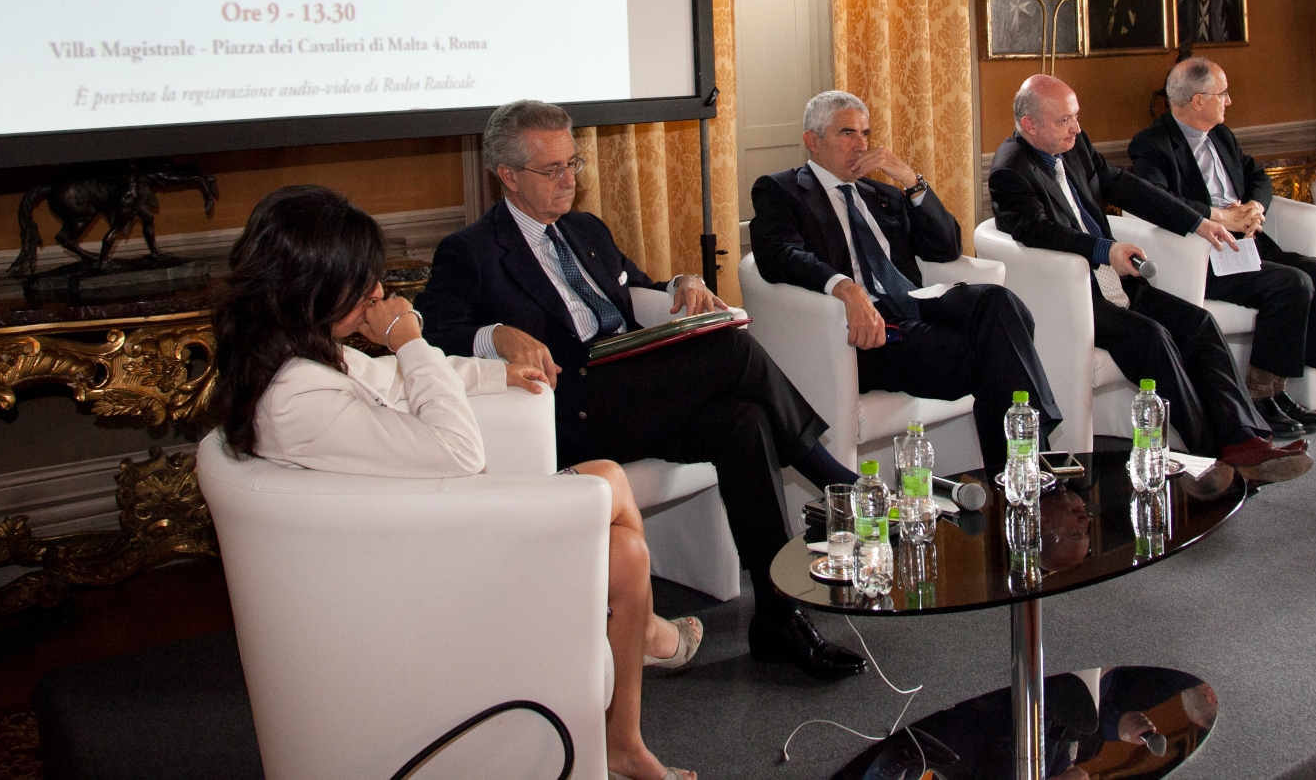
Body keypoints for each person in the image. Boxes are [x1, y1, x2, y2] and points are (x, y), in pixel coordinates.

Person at [209, 185, 697, 780]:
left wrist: (498, 375)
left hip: (413, 535)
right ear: (313, 284)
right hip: (419, 570)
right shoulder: (298, 396)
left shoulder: (290, 358)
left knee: (625, 550)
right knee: (608, 486)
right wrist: (411, 338)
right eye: (362, 281)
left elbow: (389, 379)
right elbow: (459, 452)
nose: (377, 294)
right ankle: (642, 641)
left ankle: (623, 740)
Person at [418, 101, 868, 680]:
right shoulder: (473, 251)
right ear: (507, 175)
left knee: (743, 420)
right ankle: (837, 483)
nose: (568, 180)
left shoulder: (585, 229)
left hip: (632, 388)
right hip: (572, 405)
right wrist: (496, 335)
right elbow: (435, 330)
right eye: (550, 169)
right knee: (728, 346)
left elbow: (635, 286)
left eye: (572, 164)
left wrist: (681, 283)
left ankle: (777, 620)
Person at [987, 75, 1310, 482]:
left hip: (1115, 281)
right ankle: (1213, 455)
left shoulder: (1074, 146)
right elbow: (1036, 230)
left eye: (1076, 118)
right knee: (1153, 339)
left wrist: (1197, 221)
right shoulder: (1009, 170)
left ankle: (1244, 439)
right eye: (1064, 121)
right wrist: (1105, 250)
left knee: (1199, 323)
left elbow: (1124, 186)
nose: (1076, 128)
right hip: (1071, 296)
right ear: (1030, 125)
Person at [751, 90, 1063, 473]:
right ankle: (1029, 467)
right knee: (995, 351)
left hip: (915, 302)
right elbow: (777, 255)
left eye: (865, 133)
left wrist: (910, 180)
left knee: (1000, 303)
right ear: (812, 141)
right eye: (847, 133)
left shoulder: (883, 194)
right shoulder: (780, 190)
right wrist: (844, 287)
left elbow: (947, 247)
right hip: (870, 327)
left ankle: (1024, 466)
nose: (861, 144)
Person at [1130, 59, 1316, 434]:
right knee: (1293, 284)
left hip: (1251, 242)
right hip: (1208, 256)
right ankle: (1262, 398)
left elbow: (1257, 175)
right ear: (1197, 101)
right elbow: (1156, 201)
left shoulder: (1222, 136)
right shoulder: (1153, 145)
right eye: (1222, 94)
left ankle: (1284, 381)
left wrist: (1254, 206)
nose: (1229, 101)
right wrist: (1218, 216)